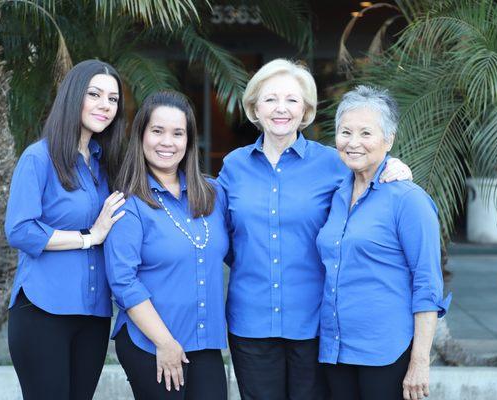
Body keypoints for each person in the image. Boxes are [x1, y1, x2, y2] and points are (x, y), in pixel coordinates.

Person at [217, 59, 413, 400]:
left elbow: (369, 190)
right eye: (270, 99)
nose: (281, 109)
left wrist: (394, 165)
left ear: (305, 109)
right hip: (251, 321)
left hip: (315, 322)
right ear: (254, 107)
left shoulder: (334, 163)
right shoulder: (233, 166)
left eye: (292, 100)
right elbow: (227, 238)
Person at [316, 85, 451, 400]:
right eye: (345, 132)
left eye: (366, 133)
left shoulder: (408, 200)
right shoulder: (335, 194)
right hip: (336, 348)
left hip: (385, 351)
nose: (353, 142)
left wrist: (420, 362)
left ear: (388, 139)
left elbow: (428, 284)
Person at [5, 59, 127, 400]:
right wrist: (91, 237)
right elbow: (21, 230)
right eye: (95, 94)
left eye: (113, 99)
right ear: (74, 96)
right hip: (44, 309)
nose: (105, 105)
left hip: (94, 312)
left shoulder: (106, 164)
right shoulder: (38, 158)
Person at [104, 91, 229, 400]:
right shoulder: (128, 203)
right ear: (142, 135)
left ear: (189, 140)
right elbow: (123, 281)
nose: (167, 142)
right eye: (157, 131)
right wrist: (165, 343)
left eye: (177, 133)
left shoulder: (214, 193)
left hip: (205, 340)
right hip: (151, 342)